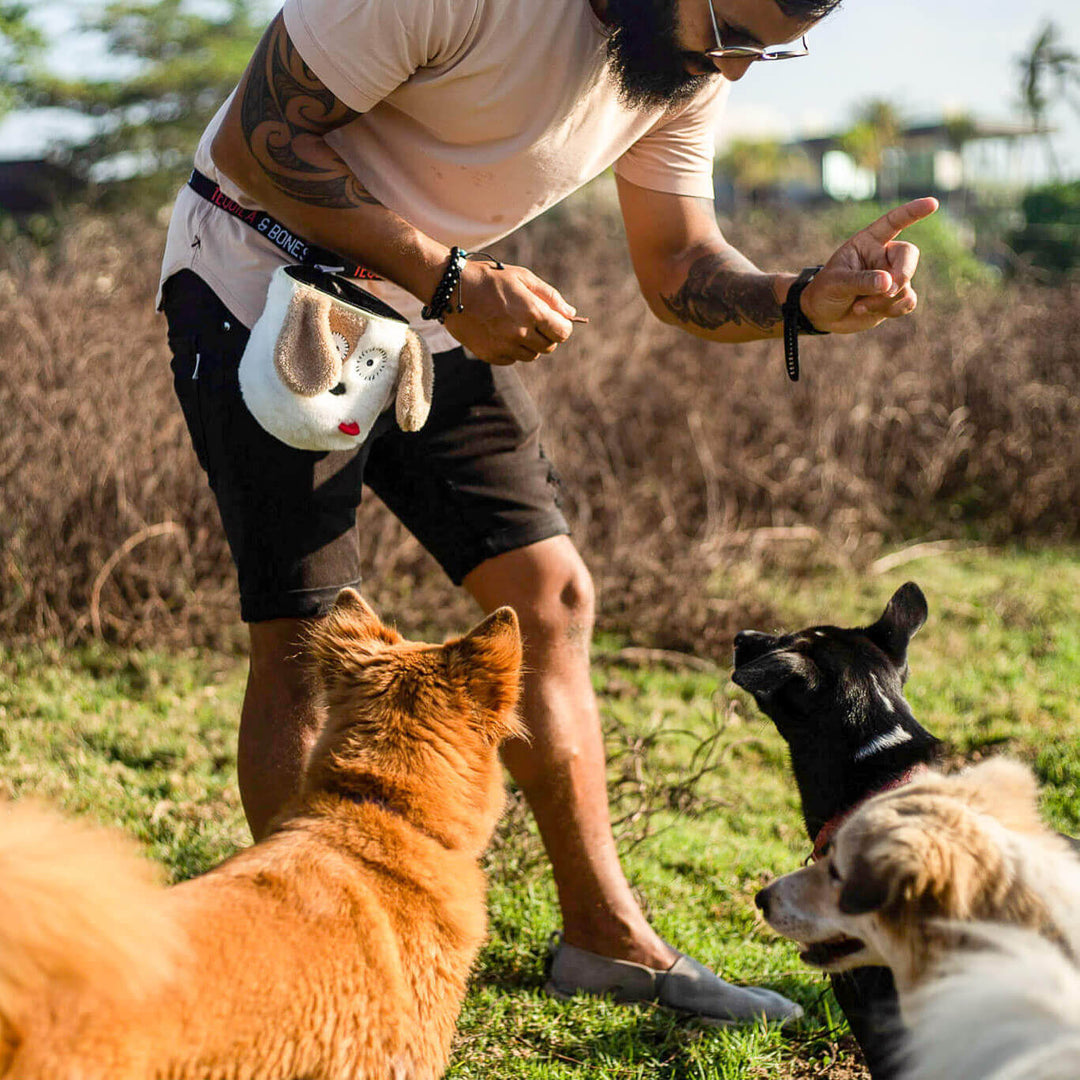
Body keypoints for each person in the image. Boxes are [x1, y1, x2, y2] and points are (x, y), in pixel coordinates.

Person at [158, 0, 937, 1027]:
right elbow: (262, 145)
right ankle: (299, 958)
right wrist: (449, 276)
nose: (735, 71)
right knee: (304, 634)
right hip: (256, 282)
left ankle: (603, 939)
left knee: (548, 593)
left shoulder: (680, 60)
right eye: (731, 29)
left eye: (768, 50)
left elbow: (679, 270)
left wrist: (801, 299)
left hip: (428, 299)